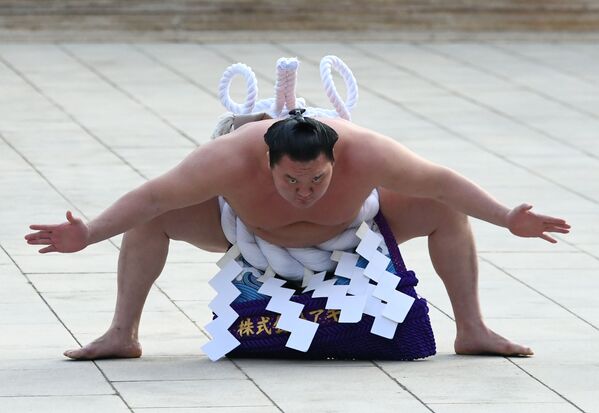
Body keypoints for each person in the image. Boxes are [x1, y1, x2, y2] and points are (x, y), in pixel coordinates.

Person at [25, 110, 570, 360]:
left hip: (354, 234)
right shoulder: (228, 158)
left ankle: (472, 329)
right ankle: (122, 333)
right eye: (290, 179)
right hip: (245, 232)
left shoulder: (369, 151)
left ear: (337, 159)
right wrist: (90, 232)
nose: (304, 190)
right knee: (152, 219)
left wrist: (508, 218)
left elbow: (444, 181)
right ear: (266, 162)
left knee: (444, 209)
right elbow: (153, 197)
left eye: (317, 178)